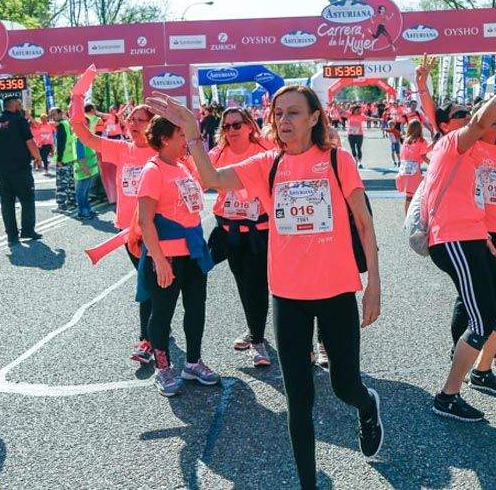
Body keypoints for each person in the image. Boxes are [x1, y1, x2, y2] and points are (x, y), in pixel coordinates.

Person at [148, 85, 383, 489]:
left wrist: (374, 283)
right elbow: (210, 178)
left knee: (345, 385)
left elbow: (364, 222)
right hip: (288, 295)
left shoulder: (337, 160)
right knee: (299, 400)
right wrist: (191, 131)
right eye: (278, 114)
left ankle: (366, 406)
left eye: (294, 113)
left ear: (314, 118)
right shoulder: (266, 165)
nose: (285, 120)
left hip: (337, 290)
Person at [418, 60, 496, 422]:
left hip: (473, 237)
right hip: (451, 239)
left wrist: (487, 241)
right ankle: (448, 396)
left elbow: (473, 204)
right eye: (462, 114)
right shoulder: (452, 144)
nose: (472, 118)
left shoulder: (478, 154)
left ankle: (481, 371)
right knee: (480, 320)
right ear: (448, 123)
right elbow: (481, 121)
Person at [69, 68, 157, 361]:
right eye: (130, 119)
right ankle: (156, 326)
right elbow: (81, 132)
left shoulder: (164, 153)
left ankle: (147, 339)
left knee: (148, 281)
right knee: (149, 280)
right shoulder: (121, 149)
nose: (132, 123)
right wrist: (79, 94)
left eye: (139, 120)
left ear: (152, 125)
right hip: (127, 231)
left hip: (158, 230)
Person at [135, 115, 219, 397]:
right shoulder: (153, 170)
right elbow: (145, 221)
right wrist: (158, 261)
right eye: (181, 135)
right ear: (164, 139)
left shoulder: (183, 166)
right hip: (167, 259)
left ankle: (193, 363)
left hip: (193, 254)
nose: (186, 140)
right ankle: (163, 368)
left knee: (196, 309)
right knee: (162, 313)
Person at [207, 107, 275, 367]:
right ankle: (253, 328)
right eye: (226, 126)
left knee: (256, 283)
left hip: (260, 229)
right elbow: (197, 176)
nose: (232, 130)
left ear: (249, 125)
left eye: (237, 125)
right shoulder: (217, 154)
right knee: (242, 282)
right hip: (229, 228)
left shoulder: (264, 148)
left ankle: (257, 341)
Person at [0, 96, 43, 245]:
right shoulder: (19, 121)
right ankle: (28, 230)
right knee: (27, 199)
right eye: (19, 103)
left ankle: (11, 236)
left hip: (0, 169)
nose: (20, 106)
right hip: (20, 167)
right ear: (14, 105)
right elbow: (30, 142)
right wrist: (38, 158)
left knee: (7, 202)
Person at [394, 120, 431, 213]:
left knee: (408, 197)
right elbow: (423, 154)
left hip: (405, 170)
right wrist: (432, 163)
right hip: (415, 171)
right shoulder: (421, 141)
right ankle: (415, 217)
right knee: (417, 196)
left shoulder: (407, 140)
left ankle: (407, 217)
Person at [51, 107, 77, 213]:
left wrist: (59, 159)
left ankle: (62, 206)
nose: (52, 116)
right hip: (70, 157)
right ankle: (72, 203)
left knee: (62, 183)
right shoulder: (66, 124)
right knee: (70, 182)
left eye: (54, 114)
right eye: (51, 114)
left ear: (60, 113)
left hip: (64, 159)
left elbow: (61, 143)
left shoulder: (61, 125)